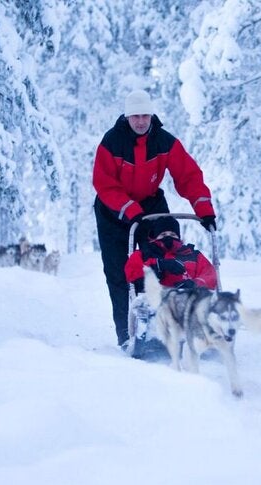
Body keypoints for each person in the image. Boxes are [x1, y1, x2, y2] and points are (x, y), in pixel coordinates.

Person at [93, 89, 217, 351]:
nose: (140, 121)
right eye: (135, 116)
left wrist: (203, 208)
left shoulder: (164, 142)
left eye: (145, 116)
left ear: (151, 116)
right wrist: (129, 209)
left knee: (163, 258)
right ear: (127, 117)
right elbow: (104, 184)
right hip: (113, 211)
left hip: (150, 204)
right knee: (118, 272)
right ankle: (126, 332)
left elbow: (188, 176)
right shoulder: (111, 143)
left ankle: (169, 318)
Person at [124, 216, 217, 293]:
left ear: (179, 237)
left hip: (189, 302)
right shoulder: (143, 254)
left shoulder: (193, 255)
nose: (168, 237)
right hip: (155, 302)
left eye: (172, 234)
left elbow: (210, 276)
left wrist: (195, 284)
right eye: (163, 234)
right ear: (154, 237)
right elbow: (132, 273)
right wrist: (158, 265)